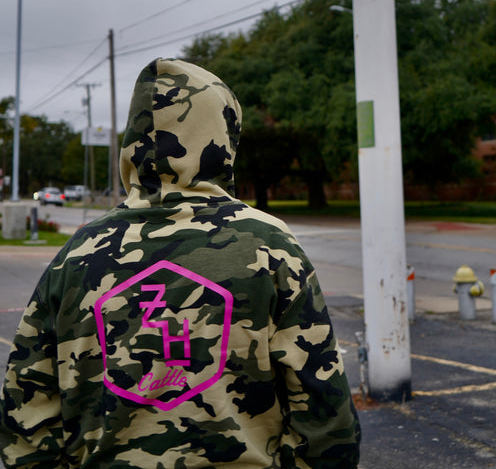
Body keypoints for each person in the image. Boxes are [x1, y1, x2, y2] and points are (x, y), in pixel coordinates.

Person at [0, 58, 360, 468]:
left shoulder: (77, 254)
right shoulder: (270, 246)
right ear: (223, 136)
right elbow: (326, 416)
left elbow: (25, 419)